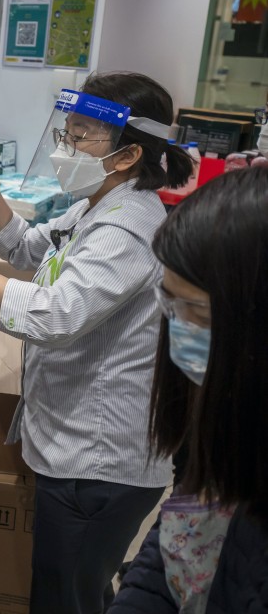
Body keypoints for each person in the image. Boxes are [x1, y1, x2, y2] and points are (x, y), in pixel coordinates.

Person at [0, 72, 194, 614]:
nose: (66, 148)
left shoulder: (126, 230)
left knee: (65, 596)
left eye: (81, 137)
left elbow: (54, 314)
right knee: (77, 586)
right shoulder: (98, 204)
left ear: (128, 155)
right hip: (74, 444)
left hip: (99, 460)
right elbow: (28, 249)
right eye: (65, 133)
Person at [109, 167, 268, 612]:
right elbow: (177, 541)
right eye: (171, 305)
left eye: (197, 313)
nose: (180, 328)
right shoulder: (227, 413)